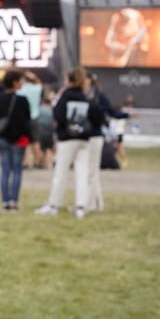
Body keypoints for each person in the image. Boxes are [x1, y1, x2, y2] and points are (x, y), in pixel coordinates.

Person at [35, 67, 104, 219]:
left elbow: (58, 115)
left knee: (61, 171)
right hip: (84, 139)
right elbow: (98, 116)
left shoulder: (65, 97)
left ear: (70, 81)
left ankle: (54, 204)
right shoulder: (85, 97)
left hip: (67, 139)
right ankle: (81, 205)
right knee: (82, 172)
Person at [0, 68, 32, 211]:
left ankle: (4, 201)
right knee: (17, 169)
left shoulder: (0, 98)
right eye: (21, 80)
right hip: (19, 139)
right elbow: (27, 120)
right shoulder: (22, 100)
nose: (23, 82)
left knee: (5, 169)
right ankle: (13, 201)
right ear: (15, 82)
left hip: (3, 137)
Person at [87, 75, 129, 211]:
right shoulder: (89, 96)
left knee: (91, 171)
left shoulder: (96, 97)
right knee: (88, 172)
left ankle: (95, 202)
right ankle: (90, 202)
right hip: (86, 137)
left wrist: (126, 115)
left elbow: (111, 113)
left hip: (93, 136)